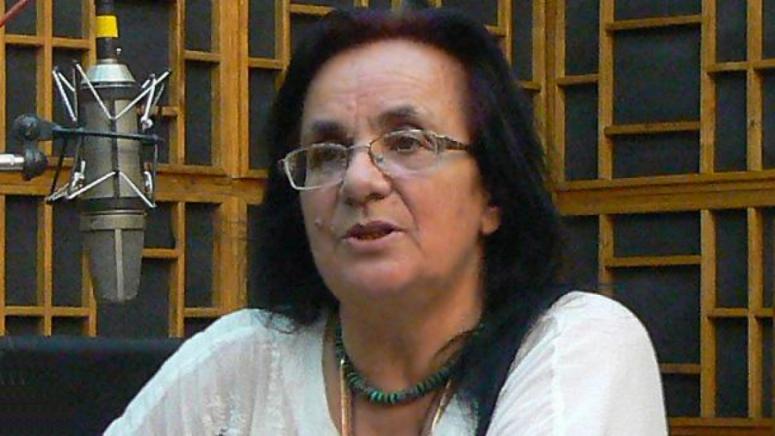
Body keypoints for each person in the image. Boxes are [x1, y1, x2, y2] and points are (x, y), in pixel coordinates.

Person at [106, 6, 666, 435]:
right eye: (326, 153)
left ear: (493, 193)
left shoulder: (579, 343)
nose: (358, 181)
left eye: (407, 142)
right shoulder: (242, 360)